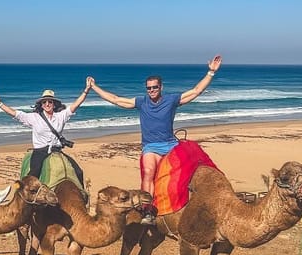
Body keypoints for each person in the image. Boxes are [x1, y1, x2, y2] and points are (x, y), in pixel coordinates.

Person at [90, 55, 223, 224]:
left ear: (161, 87)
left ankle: (197, 205)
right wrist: (94, 87)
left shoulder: (171, 100)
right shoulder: (142, 102)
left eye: (154, 87)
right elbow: (116, 100)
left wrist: (211, 72)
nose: (151, 90)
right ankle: (147, 212)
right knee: (148, 173)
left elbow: (196, 91)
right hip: (151, 147)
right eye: (148, 88)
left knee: (191, 171)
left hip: (171, 146)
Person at [0, 77, 94, 184]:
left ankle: (83, 198)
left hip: (56, 151)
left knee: (79, 172)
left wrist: (86, 90)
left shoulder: (61, 116)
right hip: (40, 152)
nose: (47, 104)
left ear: (54, 104)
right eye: (44, 102)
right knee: (33, 177)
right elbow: (15, 113)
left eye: (50, 102)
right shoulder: (34, 117)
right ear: (41, 105)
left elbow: (76, 105)